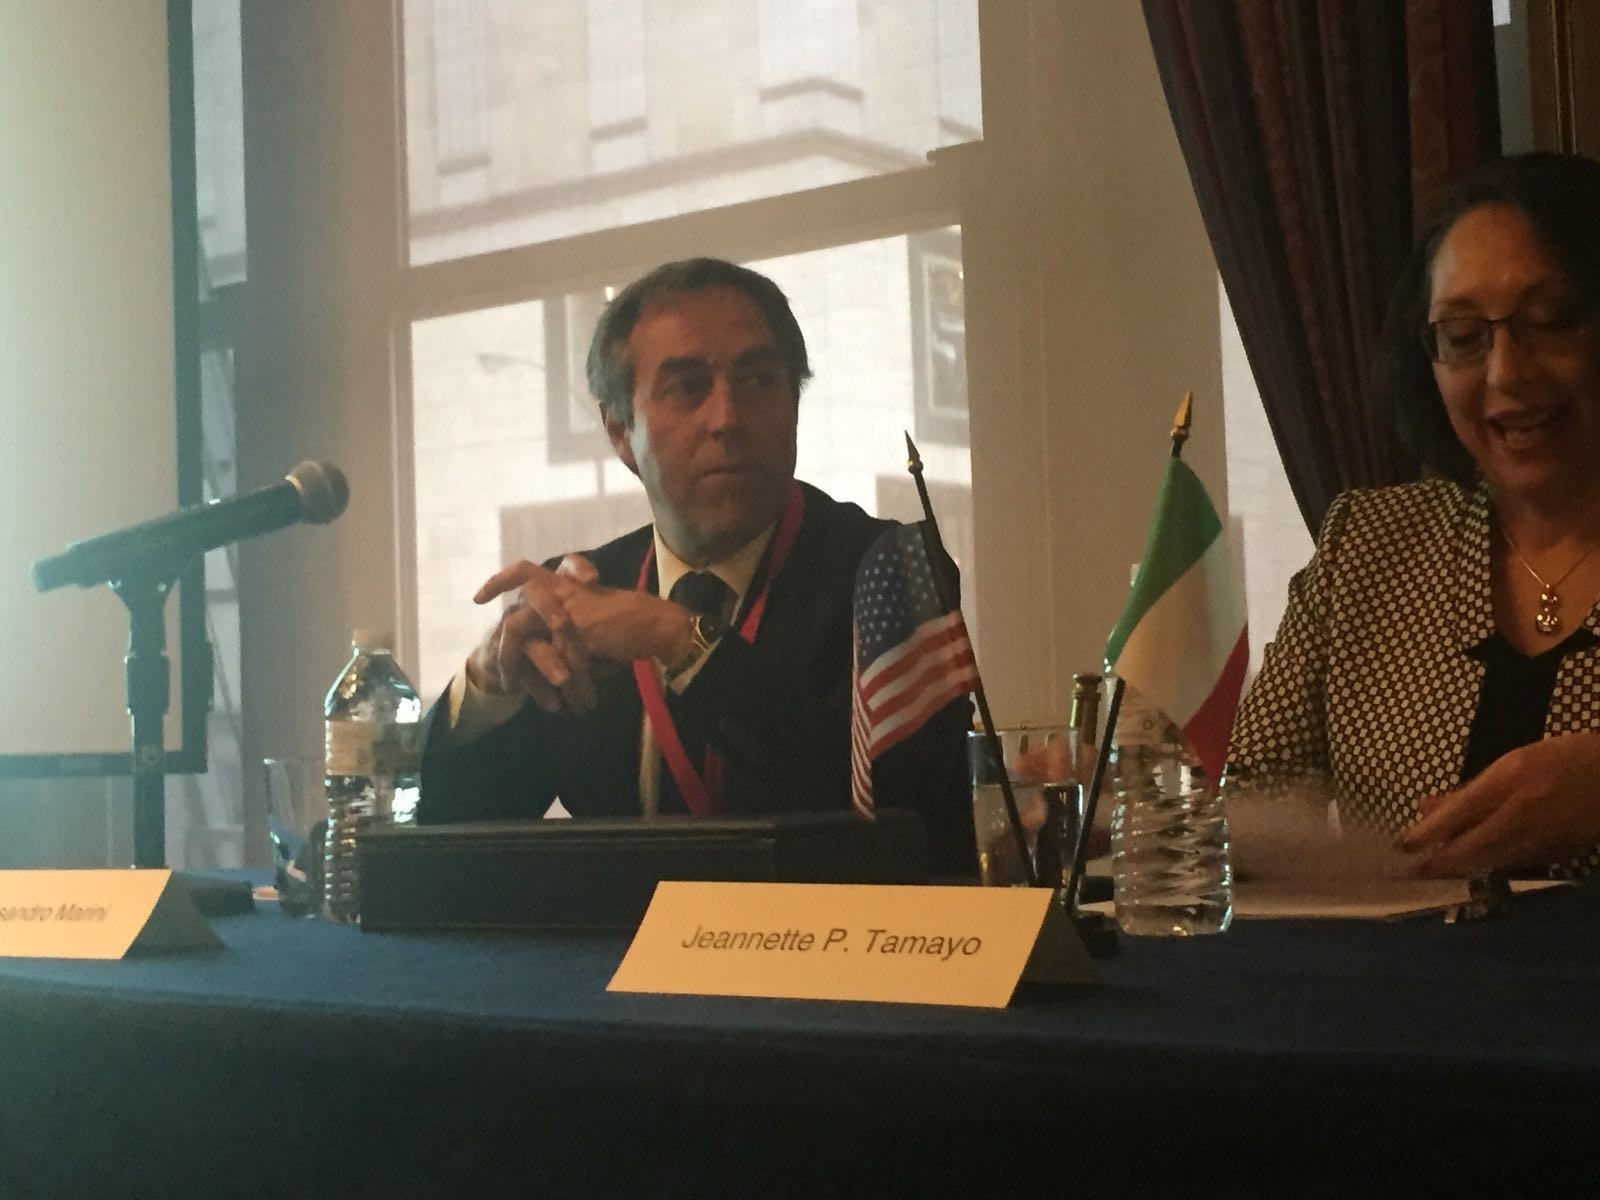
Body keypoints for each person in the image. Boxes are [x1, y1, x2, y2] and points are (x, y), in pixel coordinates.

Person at [418, 257, 975, 874]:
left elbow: (894, 824)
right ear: (620, 431)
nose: (728, 417)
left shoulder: (891, 572)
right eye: (687, 387)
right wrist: (489, 687)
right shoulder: (584, 595)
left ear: (794, 404)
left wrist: (680, 639)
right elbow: (455, 843)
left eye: (759, 380)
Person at [1227, 152, 1600, 880]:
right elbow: (1253, 805)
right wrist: (1123, 801)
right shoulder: (1367, 545)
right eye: (1463, 336)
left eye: (1552, 320)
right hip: (1400, 959)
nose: (1506, 372)